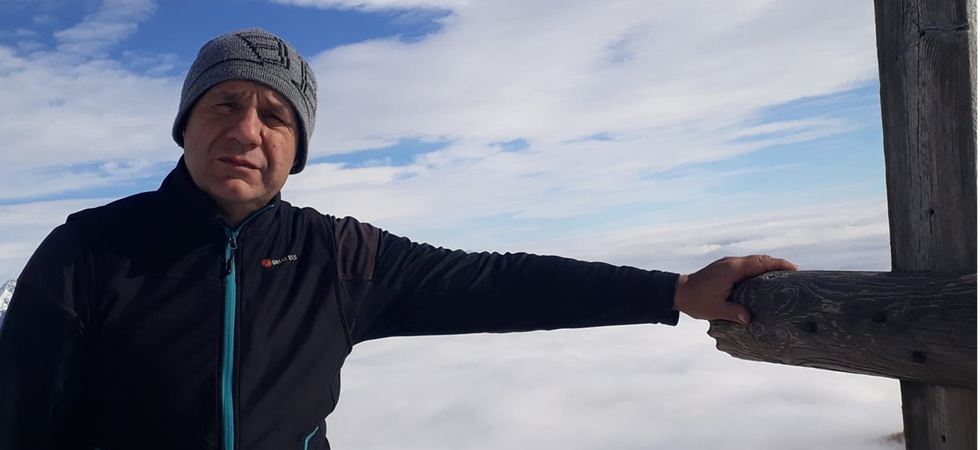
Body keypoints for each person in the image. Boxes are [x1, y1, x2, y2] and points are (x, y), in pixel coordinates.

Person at [0, 28, 796, 450]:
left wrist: (673, 292)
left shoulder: (338, 258)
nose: (246, 130)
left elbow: (500, 282)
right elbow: (22, 420)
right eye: (223, 105)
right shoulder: (88, 252)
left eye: (274, 115)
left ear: (296, 150)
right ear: (186, 125)